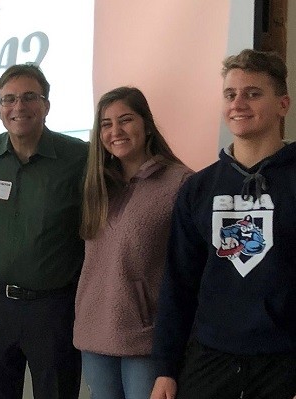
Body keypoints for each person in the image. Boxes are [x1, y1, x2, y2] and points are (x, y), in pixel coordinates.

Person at [150, 49, 296, 399]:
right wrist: (165, 370)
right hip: (210, 360)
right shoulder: (198, 189)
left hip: (283, 361)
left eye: (253, 93)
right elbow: (179, 284)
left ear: (283, 104)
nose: (238, 103)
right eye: (230, 94)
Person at [0, 63, 88, 398]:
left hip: (53, 308)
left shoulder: (79, 157)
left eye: (29, 97)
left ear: (46, 104)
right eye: (9, 99)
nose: (18, 107)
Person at [73, 87, 192, 399]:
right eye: (106, 124)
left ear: (146, 124)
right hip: (94, 333)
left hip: (146, 338)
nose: (116, 131)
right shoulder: (97, 184)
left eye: (125, 120)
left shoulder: (180, 183)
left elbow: (190, 268)